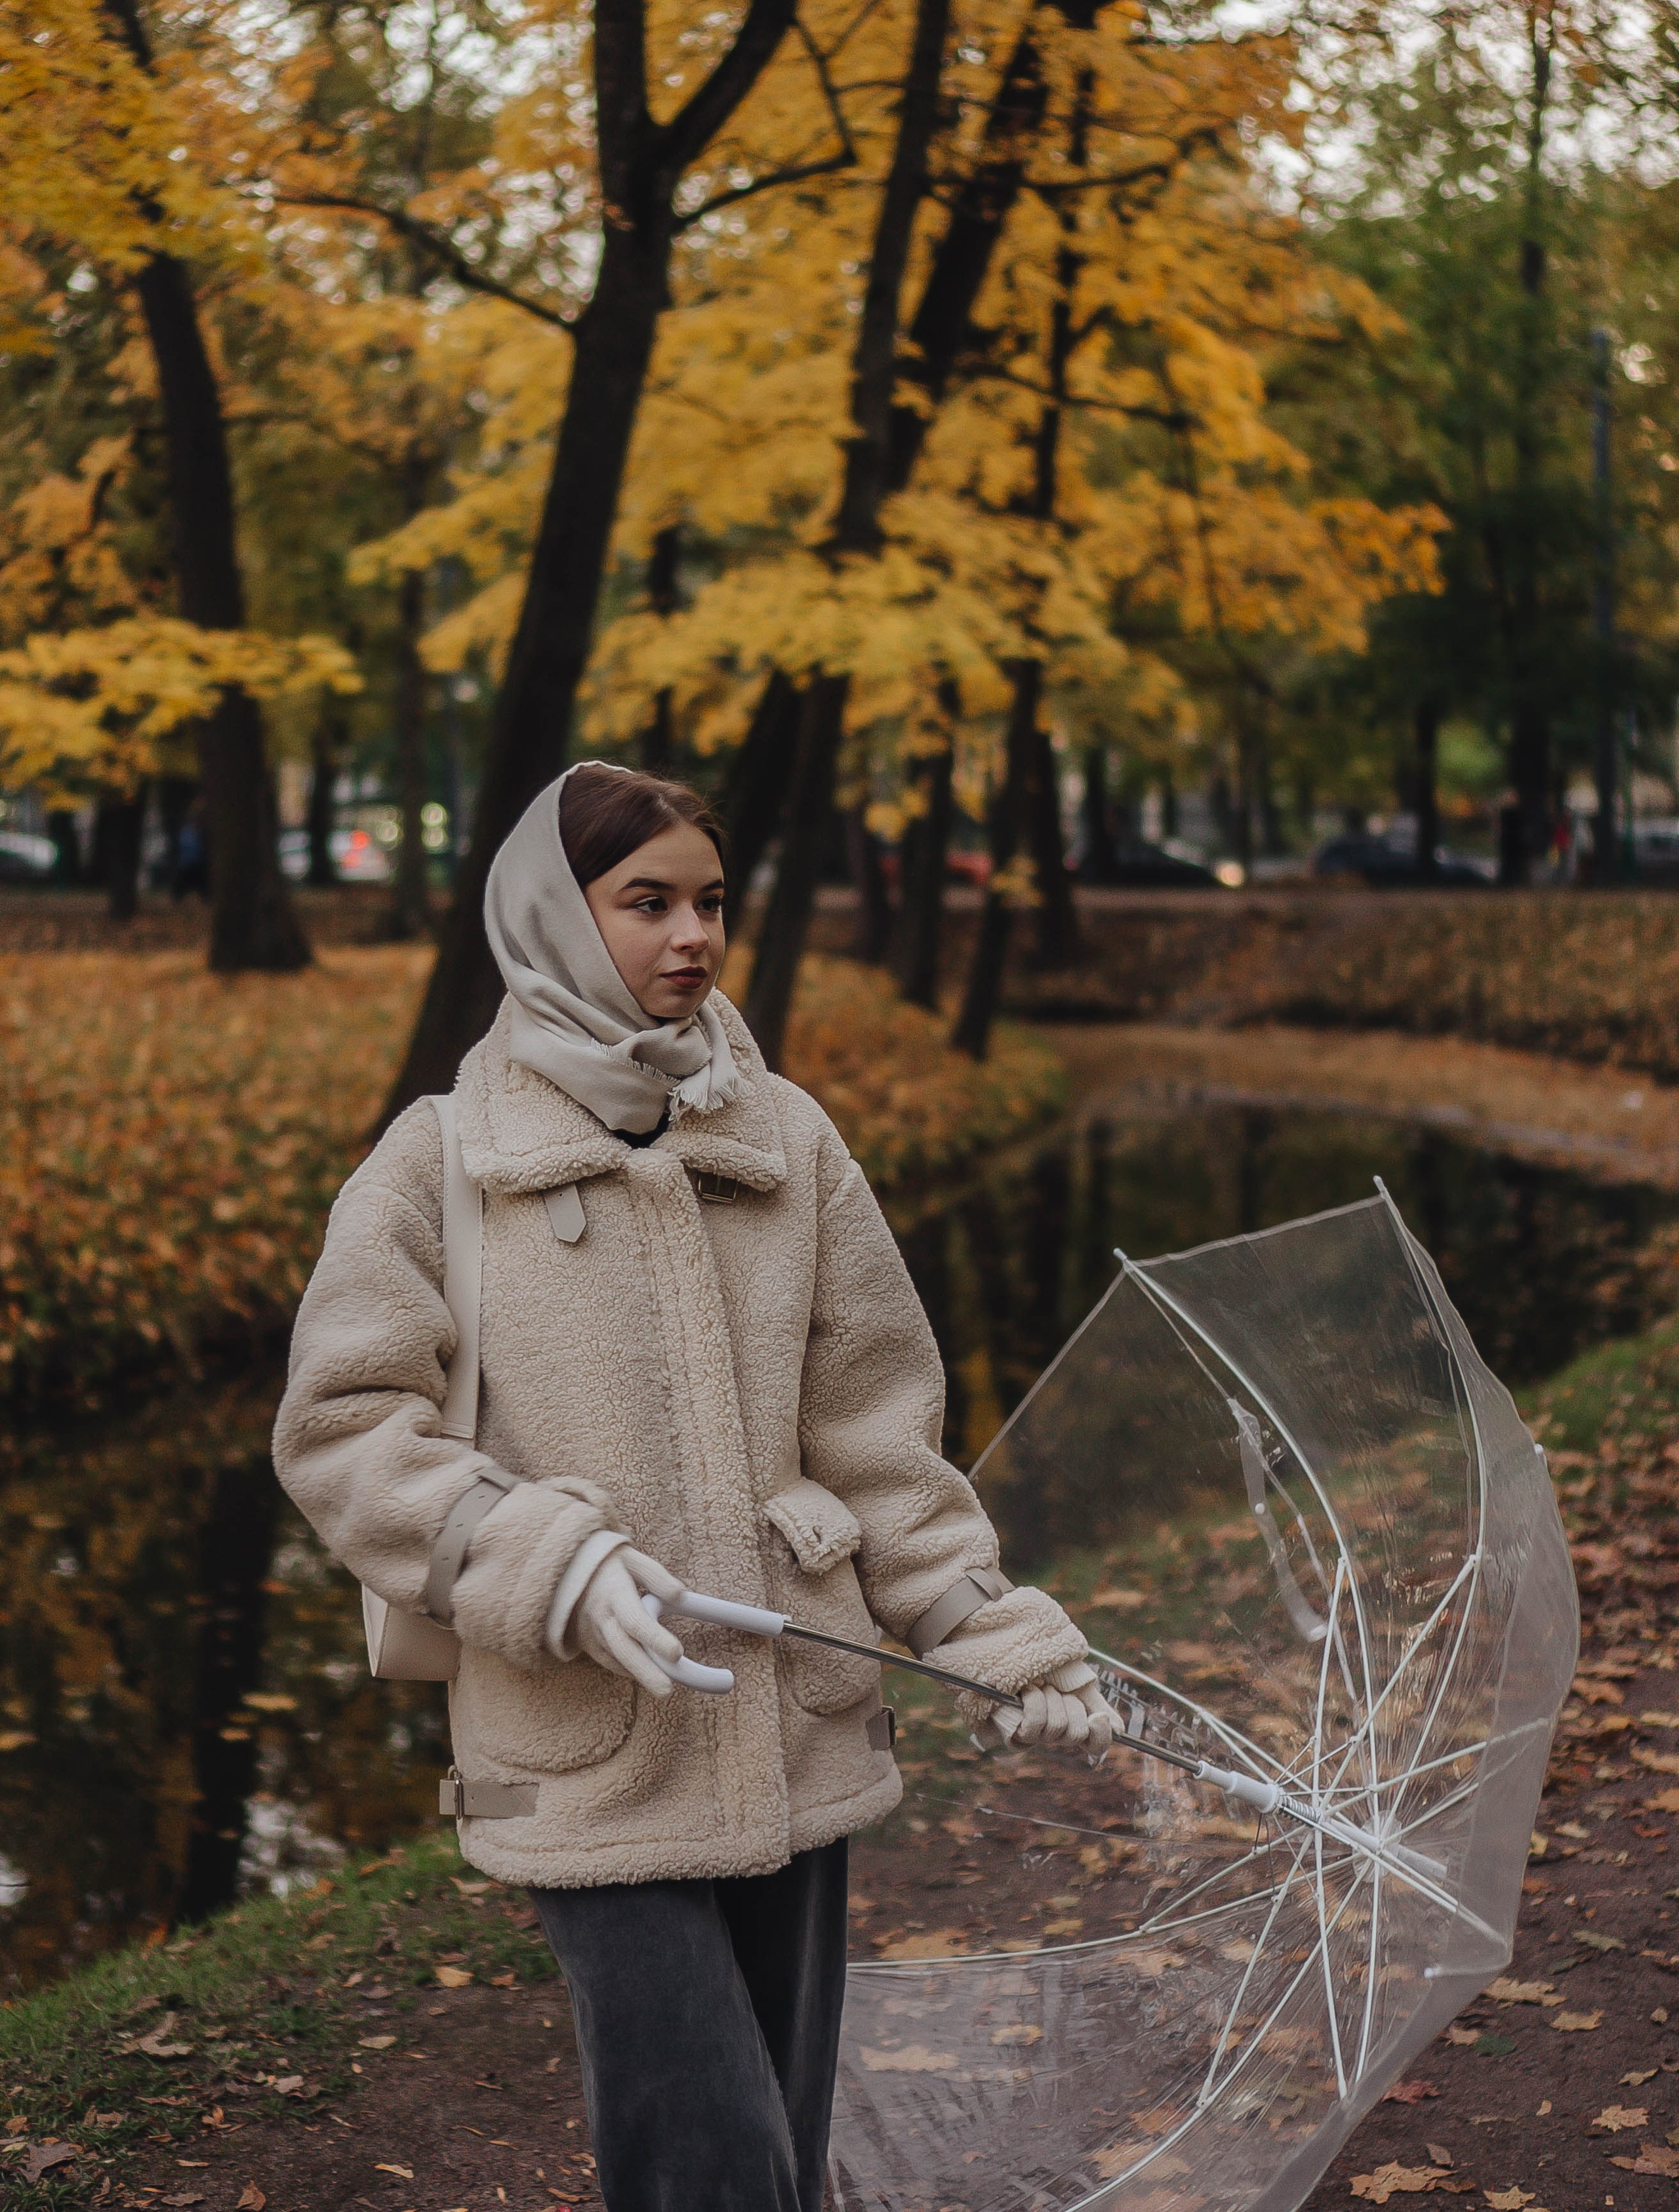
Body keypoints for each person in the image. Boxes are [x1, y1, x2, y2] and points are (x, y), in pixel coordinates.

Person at [273, 761, 1113, 2212]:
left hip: (798, 1726)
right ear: (553, 914)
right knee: (706, 2155)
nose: (693, 936)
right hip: (586, 1743)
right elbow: (343, 1429)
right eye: (645, 901)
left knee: (780, 2131)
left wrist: (984, 1627)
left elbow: (875, 1428)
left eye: (710, 900)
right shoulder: (442, 1158)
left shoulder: (788, 1138)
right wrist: (544, 1559)